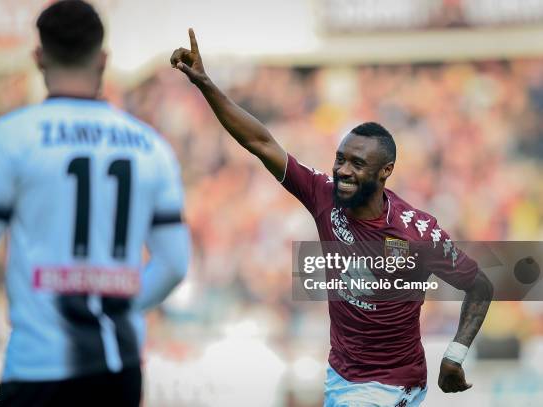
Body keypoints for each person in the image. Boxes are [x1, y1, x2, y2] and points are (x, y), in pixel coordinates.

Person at [170, 29, 493, 406]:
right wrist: (206, 85)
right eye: (341, 159)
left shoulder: (416, 232)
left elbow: (480, 285)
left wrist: (454, 354)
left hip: (390, 386)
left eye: (358, 164)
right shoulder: (323, 195)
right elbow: (260, 142)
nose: (343, 170)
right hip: (342, 377)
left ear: (385, 171)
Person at [0, 1, 189, 405]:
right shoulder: (151, 146)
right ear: (103, 59)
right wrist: (116, 309)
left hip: (38, 367)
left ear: (39, 57)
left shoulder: (10, 137)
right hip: (118, 371)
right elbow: (173, 264)